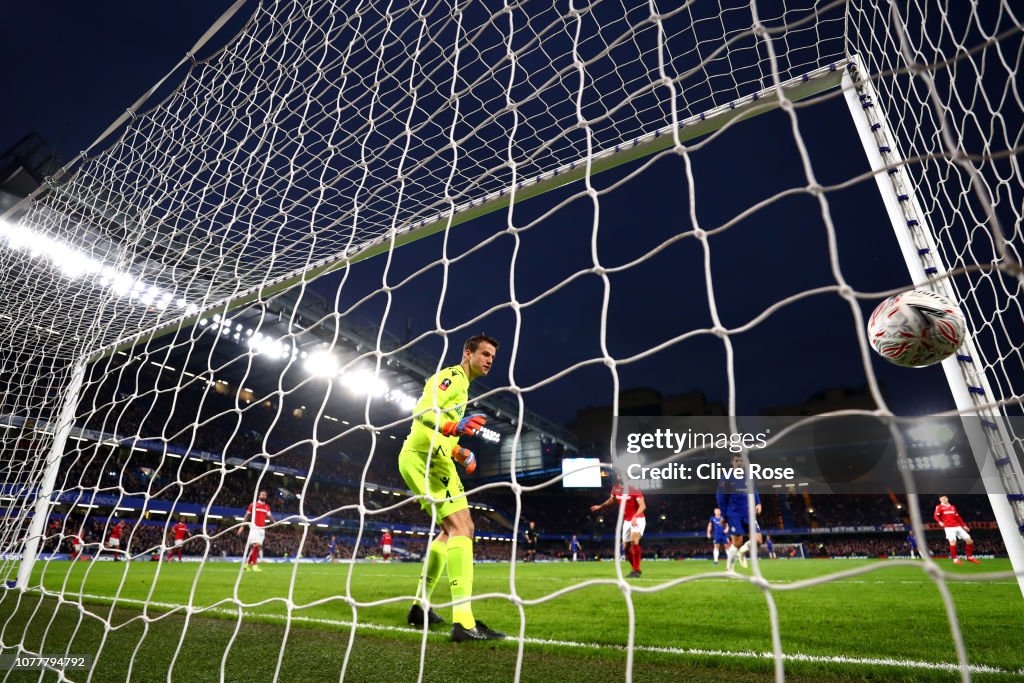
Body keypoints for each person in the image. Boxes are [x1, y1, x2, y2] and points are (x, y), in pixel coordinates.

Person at [398, 334, 506, 641]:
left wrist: (460, 451)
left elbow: (446, 430)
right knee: (462, 528)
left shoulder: (465, 388)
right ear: (467, 353)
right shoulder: (451, 377)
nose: (489, 360)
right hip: (424, 459)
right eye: (484, 353)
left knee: (453, 530)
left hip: (437, 460)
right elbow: (422, 411)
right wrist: (450, 427)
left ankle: (420, 607)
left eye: (492, 357)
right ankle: (464, 622)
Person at [591, 473, 646, 578]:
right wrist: (600, 506)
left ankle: (636, 570)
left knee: (635, 541)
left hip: (638, 518)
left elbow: (643, 505)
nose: (620, 476)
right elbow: (612, 500)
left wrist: (635, 516)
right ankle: (635, 569)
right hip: (627, 521)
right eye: (619, 475)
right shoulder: (615, 489)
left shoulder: (634, 488)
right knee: (626, 548)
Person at [717, 453, 761, 574]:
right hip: (733, 514)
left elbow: (754, 490)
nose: (739, 462)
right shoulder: (726, 477)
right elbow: (720, 497)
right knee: (737, 542)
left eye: (741, 460)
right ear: (732, 462)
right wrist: (724, 515)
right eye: (736, 460)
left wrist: (758, 502)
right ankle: (729, 569)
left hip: (748, 512)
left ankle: (742, 552)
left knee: (758, 540)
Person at [934, 495, 979, 564]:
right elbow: (935, 515)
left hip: (957, 526)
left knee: (969, 540)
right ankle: (955, 559)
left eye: (945, 498)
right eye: (942, 499)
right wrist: (940, 522)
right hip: (948, 528)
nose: (944, 499)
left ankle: (969, 557)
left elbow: (958, 517)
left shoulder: (952, 507)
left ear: (947, 499)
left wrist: (964, 526)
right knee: (953, 542)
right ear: (940, 500)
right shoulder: (939, 507)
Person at [238, 489, 274, 572]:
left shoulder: (267, 507)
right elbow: (247, 515)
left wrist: (275, 522)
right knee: (256, 546)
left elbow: (270, 517)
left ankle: (247, 565)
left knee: (256, 548)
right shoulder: (253, 505)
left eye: (265, 495)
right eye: (262, 494)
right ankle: (254, 565)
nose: (263, 496)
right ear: (259, 496)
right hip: (254, 528)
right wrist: (242, 526)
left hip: (262, 529)